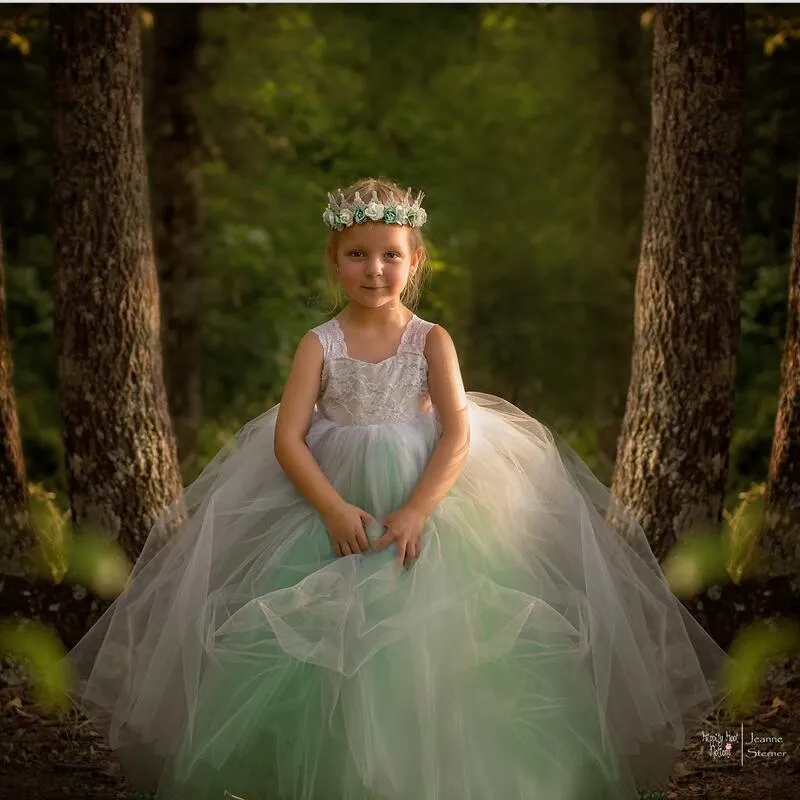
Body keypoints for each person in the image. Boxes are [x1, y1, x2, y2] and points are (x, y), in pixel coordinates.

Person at [64, 177, 730, 800]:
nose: (374, 269)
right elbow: (288, 438)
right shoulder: (318, 344)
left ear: (414, 261)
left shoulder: (431, 341)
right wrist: (328, 505)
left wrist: (415, 510)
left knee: (434, 636)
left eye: (389, 255)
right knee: (332, 638)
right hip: (335, 503)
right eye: (357, 254)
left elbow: (457, 434)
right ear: (335, 261)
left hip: (427, 506)